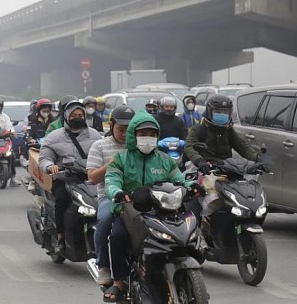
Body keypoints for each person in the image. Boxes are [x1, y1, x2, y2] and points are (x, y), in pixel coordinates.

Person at [103, 111, 199, 301]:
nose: (148, 138)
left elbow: (179, 180)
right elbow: (111, 180)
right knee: (117, 236)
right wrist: (118, 193)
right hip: (130, 209)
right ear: (134, 135)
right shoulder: (121, 159)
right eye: (143, 134)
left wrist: (191, 186)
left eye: (152, 134)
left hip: (162, 210)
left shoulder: (165, 159)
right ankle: (119, 282)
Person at [184, 93, 265, 218]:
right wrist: (200, 161)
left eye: (225, 112)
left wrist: (257, 159)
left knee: (242, 191)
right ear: (209, 111)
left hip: (227, 168)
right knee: (197, 194)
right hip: (203, 168)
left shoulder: (228, 130)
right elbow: (189, 147)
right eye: (217, 111)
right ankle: (195, 226)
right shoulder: (197, 129)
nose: (221, 114)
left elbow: (242, 146)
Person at [38, 100, 102, 255]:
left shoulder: (95, 135)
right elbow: (44, 158)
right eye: (74, 115)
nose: (77, 117)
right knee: (61, 200)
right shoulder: (54, 136)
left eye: (80, 115)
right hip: (65, 179)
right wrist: (50, 166)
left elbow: (104, 154)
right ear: (66, 116)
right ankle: (60, 238)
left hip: (90, 178)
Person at [86, 105, 135, 286]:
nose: (124, 134)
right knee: (106, 218)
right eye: (121, 130)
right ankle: (104, 265)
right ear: (111, 125)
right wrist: (114, 163)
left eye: (129, 131)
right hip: (109, 197)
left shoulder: (140, 146)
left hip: (137, 197)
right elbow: (91, 178)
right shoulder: (99, 146)